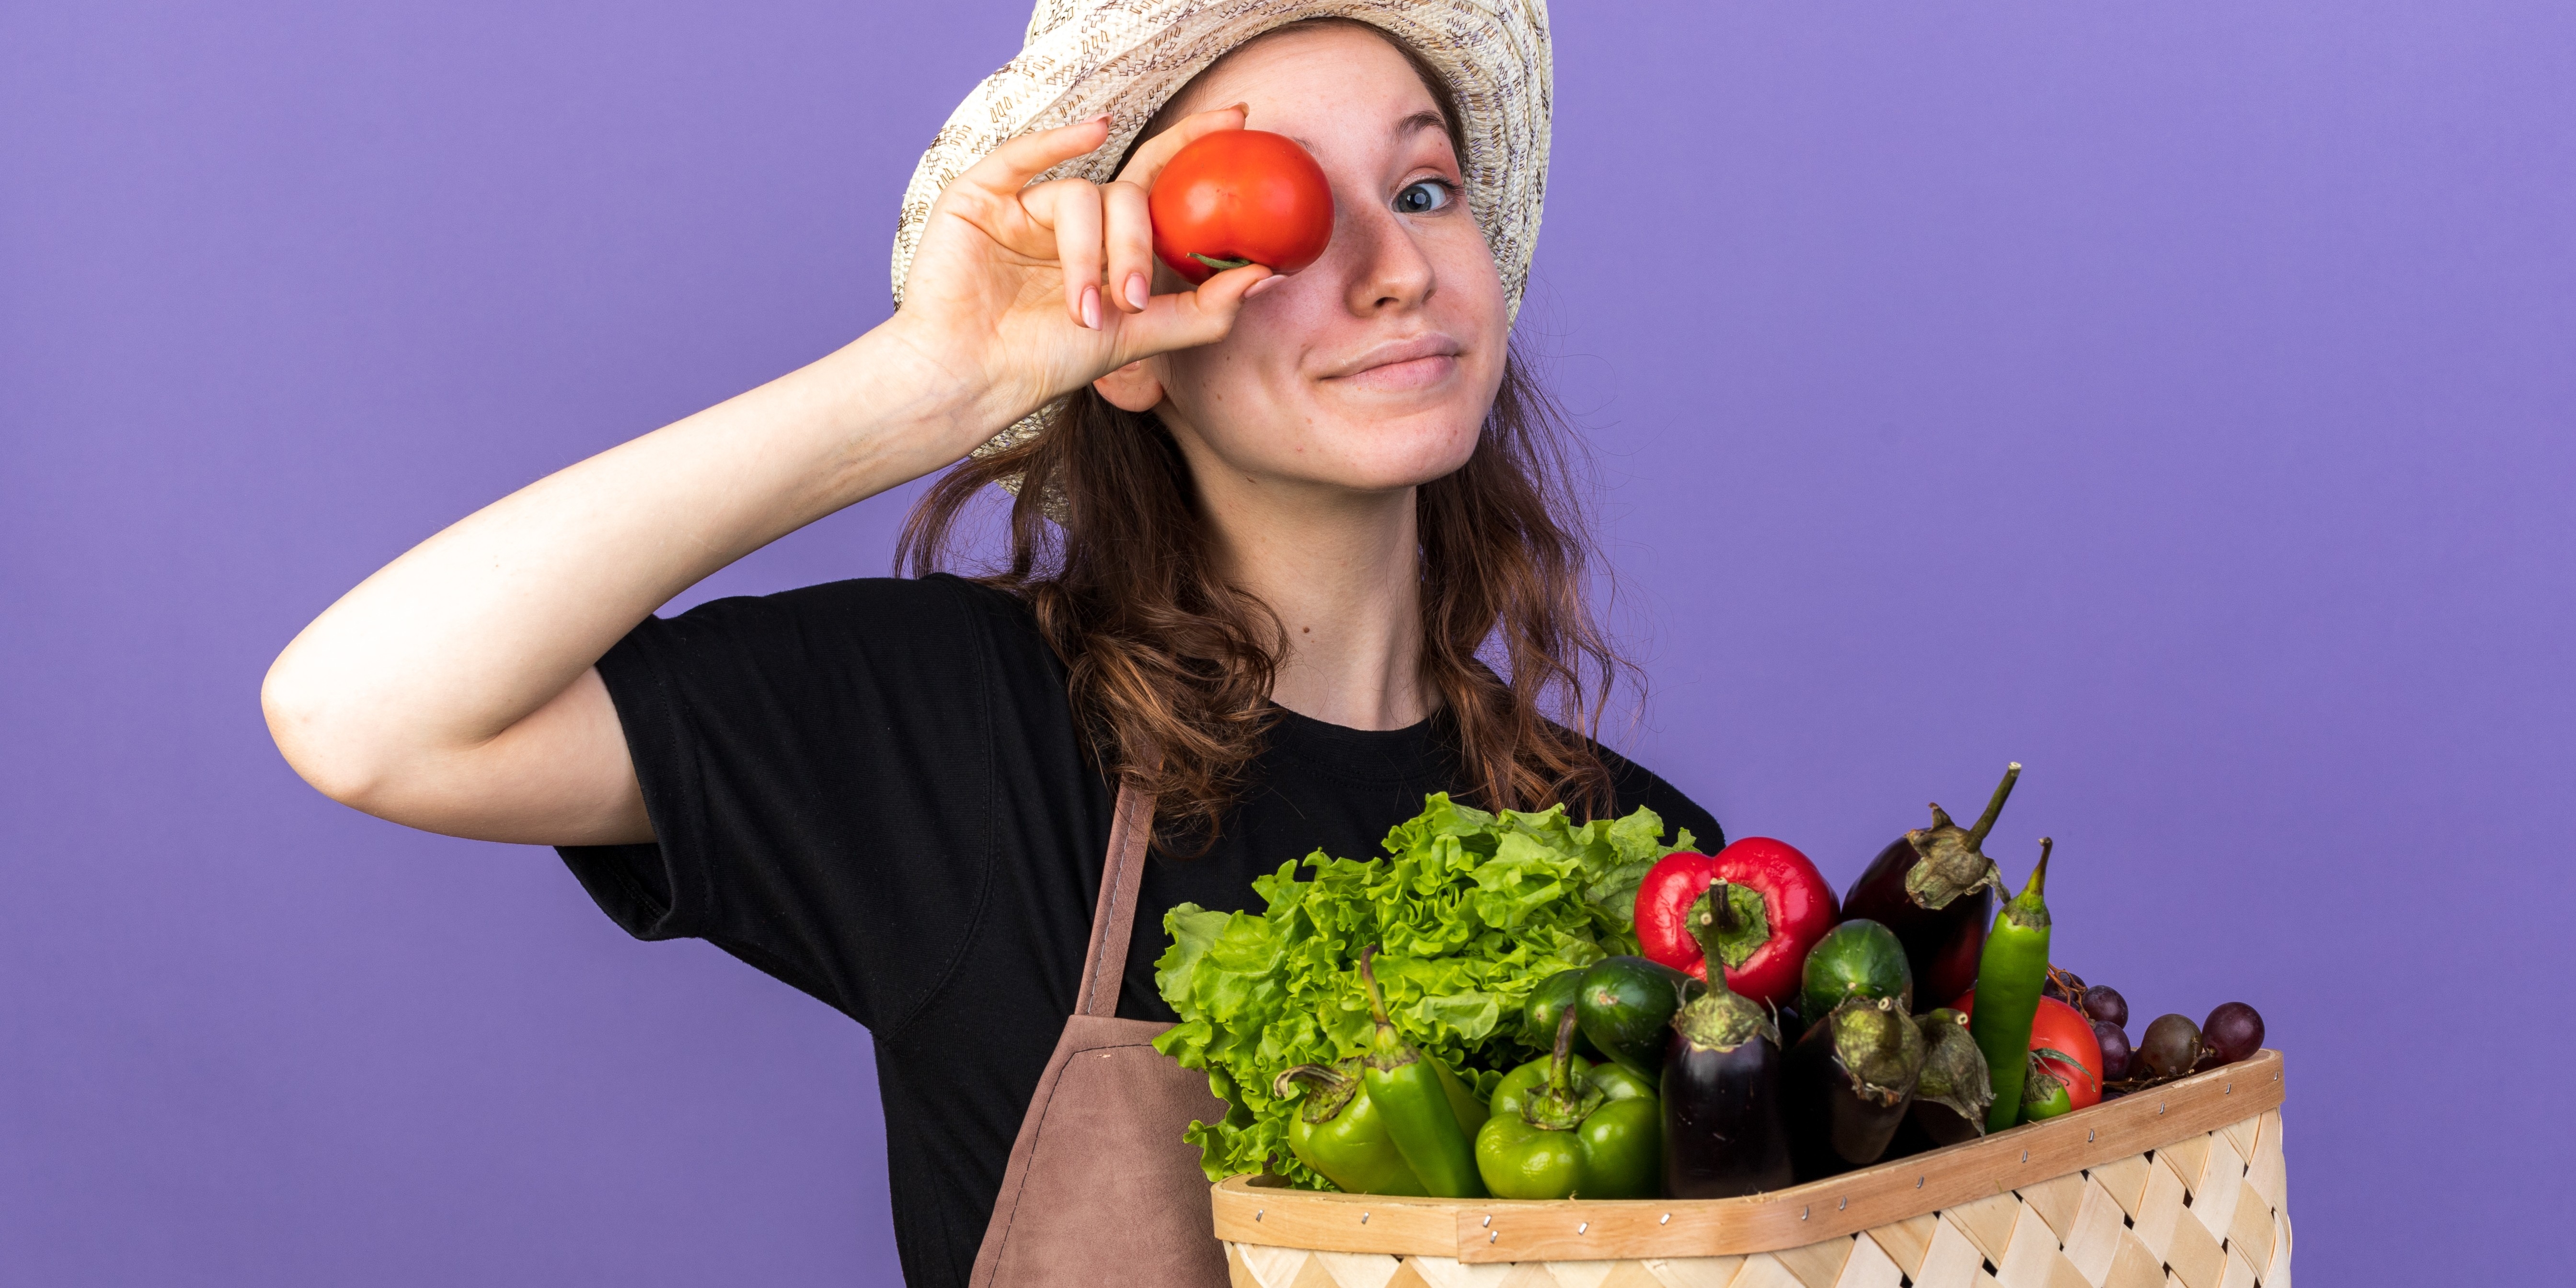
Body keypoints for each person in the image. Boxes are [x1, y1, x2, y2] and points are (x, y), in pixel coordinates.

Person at [262, 5, 1723, 1287]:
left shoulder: (1642, 852)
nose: (1396, 269)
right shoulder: (962, 725)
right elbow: (365, 713)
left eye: (1423, 187)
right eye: (1275, 210)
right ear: (1134, 339)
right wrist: (927, 381)